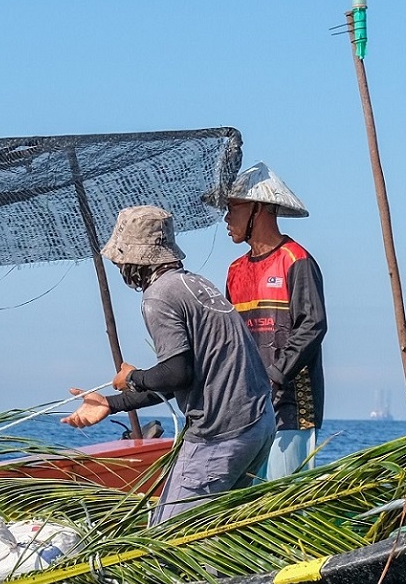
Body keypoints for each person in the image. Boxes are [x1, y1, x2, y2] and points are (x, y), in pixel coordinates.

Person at [65, 205, 274, 522]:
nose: (121, 267)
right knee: (216, 534)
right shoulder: (196, 284)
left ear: (136, 260)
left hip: (220, 435)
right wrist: (110, 403)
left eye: (122, 260)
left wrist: (133, 376)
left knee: (166, 536)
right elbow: (184, 377)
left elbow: (176, 373)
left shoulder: (159, 295)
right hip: (258, 424)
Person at [222, 163, 327, 479]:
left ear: (260, 208)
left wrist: (276, 375)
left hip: (291, 408)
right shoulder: (234, 270)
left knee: (283, 504)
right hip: (248, 412)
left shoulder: (297, 260)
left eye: (233, 208)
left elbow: (313, 325)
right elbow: (230, 339)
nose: (227, 218)